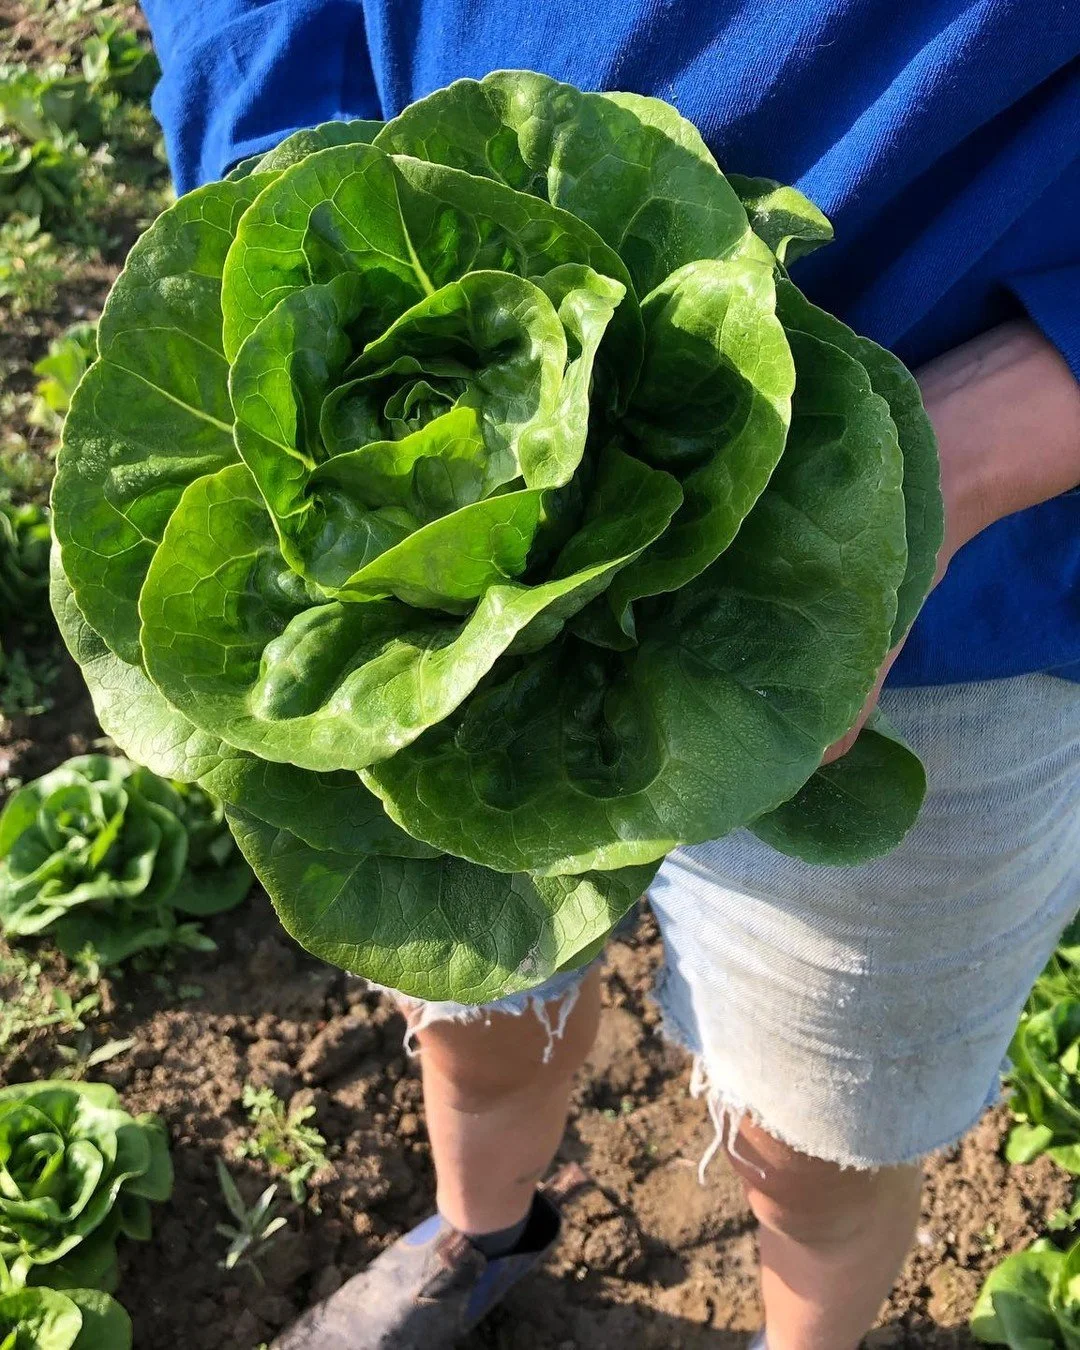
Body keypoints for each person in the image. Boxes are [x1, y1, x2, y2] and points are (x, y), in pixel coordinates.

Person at [141, 3, 1080, 1347]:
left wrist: (977, 442)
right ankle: (479, 1232)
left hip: (943, 598)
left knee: (817, 1131)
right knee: (471, 994)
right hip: (423, 566)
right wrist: (287, 210)